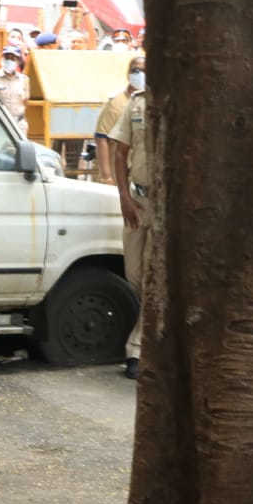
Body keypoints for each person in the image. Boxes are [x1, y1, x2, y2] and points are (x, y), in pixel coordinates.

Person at [107, 67, 149, 380]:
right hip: (138, 199)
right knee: (135, 276)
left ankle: (137, 349)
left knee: (155, 277)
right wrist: (123, 196)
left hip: (167, 204)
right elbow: (120, 152)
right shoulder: (137, 104)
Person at [93, 56, 145, 184]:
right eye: (135, 70)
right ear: (128, 74)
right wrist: (106, 176)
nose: (139, 74)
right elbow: (101, 138)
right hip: (117, 174)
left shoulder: (148, 101)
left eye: (143, 70)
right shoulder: (117, 103)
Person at [0, 46, 30, 137]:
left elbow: (25, 100)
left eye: (13, 58)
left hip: (19, 123)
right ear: (2, 59)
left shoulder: (24, 80)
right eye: (7, 57)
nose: (9, 61)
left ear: (18, 61)